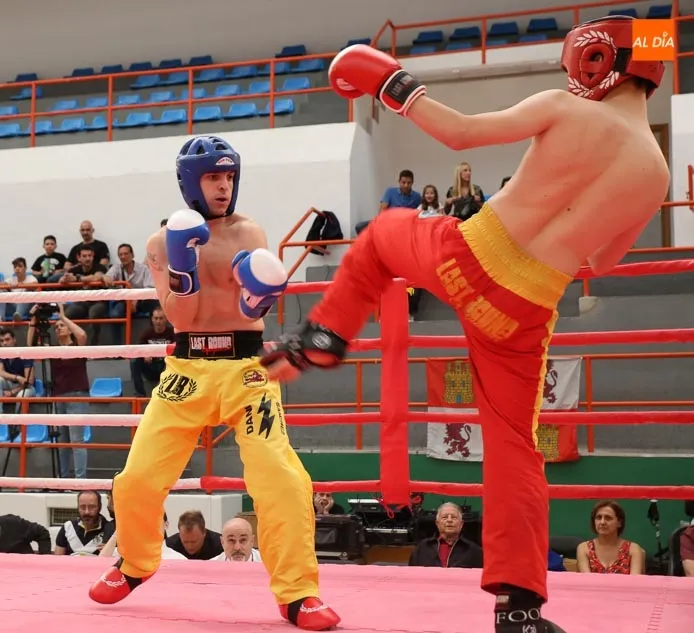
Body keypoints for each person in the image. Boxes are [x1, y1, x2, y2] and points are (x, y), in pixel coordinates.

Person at [261, 15, 669, 633]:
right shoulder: (658, 174)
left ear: (593, 62)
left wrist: (390, 82)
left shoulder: (565, 108)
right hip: (526, 309)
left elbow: (459, 134)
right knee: (514, 450)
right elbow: (603, 261)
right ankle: (519, 608)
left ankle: (324, 335)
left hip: (468, 254)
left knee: (384, 236)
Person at [88, 135, 340, 631]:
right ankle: (134, 564)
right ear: (190, 182)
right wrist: (184, 268)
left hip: (248, 370)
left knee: (281, 477)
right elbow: (181, 316)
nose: (223, 187)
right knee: (137, 478)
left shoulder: (251, 232)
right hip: (186, 370)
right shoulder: (163, 242)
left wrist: (255, 300)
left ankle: (298, 594)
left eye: (228, 177)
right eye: (212, 177)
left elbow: (258, 309)